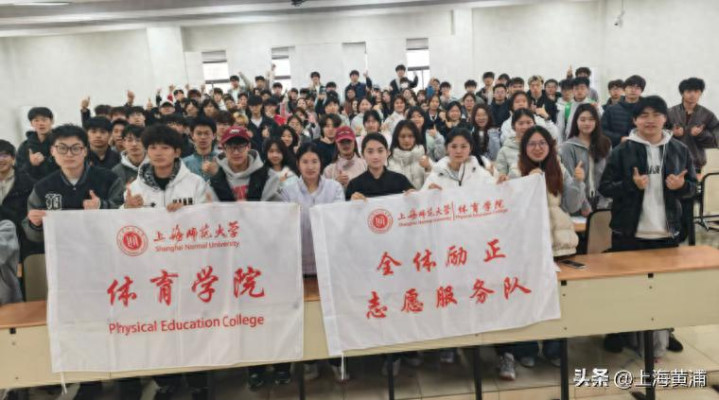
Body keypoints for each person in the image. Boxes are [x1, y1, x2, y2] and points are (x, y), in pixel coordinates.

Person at [598, 96, 697, 358]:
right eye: (643, 115)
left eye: (656, 114)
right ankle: (618, 331)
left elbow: (693, 188)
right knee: (625, 288)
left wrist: (682, 186)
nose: (650, 120)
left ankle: (665, 330)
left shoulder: (679, 149)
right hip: (629, 232)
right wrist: (631, 185)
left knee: (665, 289)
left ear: (665, 118)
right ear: (635, 120)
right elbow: (605, 187)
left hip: (667, 233)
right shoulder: (622, 150)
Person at [496, 125, 585, 381]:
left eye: (542, 143)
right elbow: (510, 209)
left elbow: (572, 205)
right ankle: (527, 349)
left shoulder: (559, 168)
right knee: (528, 297)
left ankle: (554, 348)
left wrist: (578, 181)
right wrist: (514, 184)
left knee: (557, 298)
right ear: (524, 148)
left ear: (550, 146)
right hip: (528, 245)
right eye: (532, 144)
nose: (537, 148)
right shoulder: (516, 171)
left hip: (558, 242)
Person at [23, 124, 124, 242]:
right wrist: (36, 224)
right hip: (62, 248)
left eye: (75, 148)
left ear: (85, 151)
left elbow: (125, 216)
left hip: (104, 244)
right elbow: (32, 235)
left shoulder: (109, 179)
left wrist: (102, 206)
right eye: (62, 148)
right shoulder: (42, 187)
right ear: (52, 151)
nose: (69, 154)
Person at [123, 125, 209, 210]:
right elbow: (121, 217)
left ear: (177, 153)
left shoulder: (196, 184)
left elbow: (206, 214)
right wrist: (127, 208)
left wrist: (185, 212)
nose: (158, 153)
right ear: (147, 152)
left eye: (165, 148)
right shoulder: (135, 188)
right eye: (153, 148)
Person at [559, 103, 612, 215]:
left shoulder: (605, 143)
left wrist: (604, 202)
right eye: (582, 119)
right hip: (577, 203)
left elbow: (609, 175)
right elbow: (570, 180)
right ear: (576, 122)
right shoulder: (568, 147)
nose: (587, 123)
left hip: (602, 203)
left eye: (591, 119)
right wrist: (585, 205)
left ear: (596, 121)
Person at [208, 126, 281, 202]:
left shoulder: (269, 176)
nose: (236, 152)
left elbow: (275, 207)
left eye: (240, 147)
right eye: (230, 147)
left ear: (248, 147)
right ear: (224, 149)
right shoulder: (214, 182)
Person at [667, 77, 719, 172]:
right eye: (689, 91)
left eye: (696, 91)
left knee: (695, 182)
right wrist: (672, 133)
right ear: (682, 93)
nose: (693, 94)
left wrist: (701, 134)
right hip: (672, 162)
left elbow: (716, 141)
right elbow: (656, 135)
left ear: (700, 93)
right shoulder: (669, 112)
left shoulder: (708, 115)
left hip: (696, 164)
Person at [0, 140, 38, 260]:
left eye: (4, 155)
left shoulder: (28, 183)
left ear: (13, 158)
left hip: (21, 242)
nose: (0, 160)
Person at [423, 128, 495, 190]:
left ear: (470, 149)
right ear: (446, 148)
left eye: (463, 146)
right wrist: (429, 194)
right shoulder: (436, 174)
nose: (458, 151)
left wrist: (500, 185)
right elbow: (422, 197)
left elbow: (494, 193)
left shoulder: (480, 173)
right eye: (454, 147)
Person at [346, 133, 414, 200]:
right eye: (370, 152)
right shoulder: (354, 185)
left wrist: (414, 195)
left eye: (380, 151)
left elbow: (415, 202)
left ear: (388, 152)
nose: (375, 156)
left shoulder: (401, 180)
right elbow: (346, 206)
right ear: (362, 155)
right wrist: (352, 203)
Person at [602, 75, 646, 147]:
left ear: (642, 91)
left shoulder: (647, 110)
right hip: (617, 149)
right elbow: (602, 131)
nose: (633, 90)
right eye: (630, 87)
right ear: (624, 89)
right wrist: (619, 138)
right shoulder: (611, 110)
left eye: (637, 88)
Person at [387, 120, 432, 189]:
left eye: (410, 136)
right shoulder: (389, 163)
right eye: (402, 136)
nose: (406, 140)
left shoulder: (425, 159)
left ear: (415, 137)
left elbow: (433, 186)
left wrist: (428, 169)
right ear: (397, 138)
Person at [16, 107, 58, 180]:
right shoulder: (25, 146)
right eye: (36, 120)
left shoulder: (60, 142)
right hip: (33, 185)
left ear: (52, 121)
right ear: (31, 123)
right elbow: (18, 172)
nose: (40, 123)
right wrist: (31, 164)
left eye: (44, 120)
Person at [496, 109, 535, 179]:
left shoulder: (541, 147)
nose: (525, 127)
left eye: (529, 122)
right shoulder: (504, 151)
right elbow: (500, 175)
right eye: (521, 123)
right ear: (513, 126)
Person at [183, 117, 219, 181]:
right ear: (192, 135)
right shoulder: (184, 163)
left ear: (214, 135)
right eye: (199, 133)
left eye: (207, 133)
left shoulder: (223, 160)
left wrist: (217, 173)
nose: (203, 137)